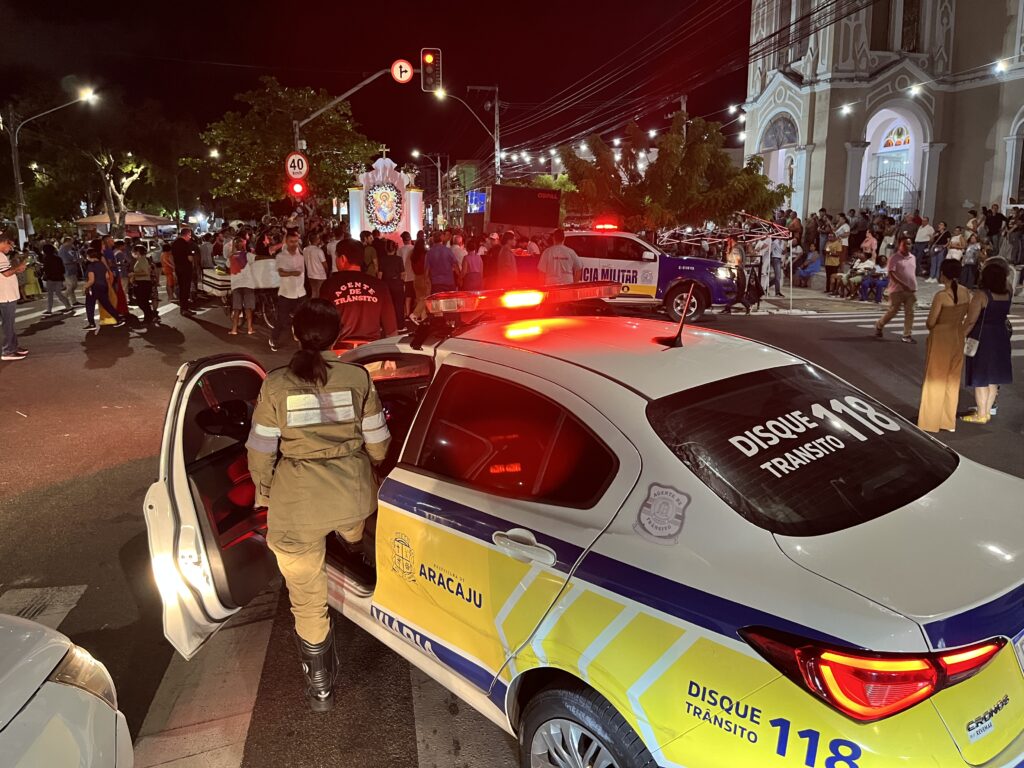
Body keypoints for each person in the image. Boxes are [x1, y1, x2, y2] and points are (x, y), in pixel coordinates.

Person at [246, 299, 391, 712]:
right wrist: (369, 467)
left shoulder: (276, 384)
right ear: (338, 335)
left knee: (307, 597)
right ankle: (352, 542)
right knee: (353, 525)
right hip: (352, 494)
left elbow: (260, 450)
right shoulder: (358, 378)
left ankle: (322, 686)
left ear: (295, 334)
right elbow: (378, 443)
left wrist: (267, 492)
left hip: (300, 502)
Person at [917, 259, 970, 433]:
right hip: (957, 336)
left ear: (943, 274)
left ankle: (930, 422)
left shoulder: (941, 296)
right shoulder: (965, 292)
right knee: (952, 380)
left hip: (941, 338)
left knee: (935, 379)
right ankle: (947, 421)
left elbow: (931, 322)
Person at [962, 259, 1013, 424]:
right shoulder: (1007, 293)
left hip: (983, 338)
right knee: (993, 378)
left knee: (981, 377)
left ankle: (981, 414)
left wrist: (960, 336)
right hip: (1001, 336)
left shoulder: (981, 295)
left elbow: (970, 321)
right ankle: (987, 411)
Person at [319, 248, 398, 341]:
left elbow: (322, 324)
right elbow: (391, 330)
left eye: (336, 256)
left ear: (343, 259)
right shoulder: (379, 285)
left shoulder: (329, 285)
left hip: (340, 346)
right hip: (370, 347)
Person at [270, 229, 307, 352]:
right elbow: (281, 273)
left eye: (296, 241)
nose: (294, 244)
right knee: (281, 319)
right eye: (291, 241)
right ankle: (274, 339)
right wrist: (292, 273)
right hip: (286, 293)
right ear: (286, 242)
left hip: (300, 292)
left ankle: (302, 340)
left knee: (303, 318)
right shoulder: (281, 256)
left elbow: (302, 273)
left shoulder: (301, 256)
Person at [875, 237, 917, 343]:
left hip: (910, 290)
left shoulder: (913, 257)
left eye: (909, 244)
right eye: (904, 244)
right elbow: (891, 274)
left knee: (910, 312)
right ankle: (880, 324)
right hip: (897, 290)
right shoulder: (894, 258)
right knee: (893, 311)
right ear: (899, 245)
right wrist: (903, 284)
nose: (907, 246)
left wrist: (912, 285)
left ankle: (907, 335)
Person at [0, 235, 29, 361]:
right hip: (6, 295)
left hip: (6, 295)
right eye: (10, 245)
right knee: (8, 324)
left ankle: (13, 346)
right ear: (3, 242)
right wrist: (18, 268)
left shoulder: (2, 255)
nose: (11, 248)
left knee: (9, 323)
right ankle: (8, 350)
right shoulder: (0, 256)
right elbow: (6, 273)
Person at [82, 248, 125, 331]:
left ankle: (91, 324)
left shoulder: (91, 266)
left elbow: (91, 280)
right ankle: (118, 318)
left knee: (90, 305)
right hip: (103, 286)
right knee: (106, 304)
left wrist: (85, 287)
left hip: (94, 288)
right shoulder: (102, 264)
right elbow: (107, 276)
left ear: (89, 256)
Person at [228, 236, 256, 335]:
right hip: (248, 284)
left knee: (237, 309)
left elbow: (227, 266)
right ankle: (250, 329)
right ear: (243, 245)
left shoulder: (231, 257)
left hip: (236, 285)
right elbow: (257, 259)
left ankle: (234, 329)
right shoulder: (248, 255)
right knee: (248, 308)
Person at [379, 238, 406, 331]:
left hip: (386, 284)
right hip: (397, 283)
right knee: (399, 305)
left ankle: (385, 325)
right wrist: (402, 282)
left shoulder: (382, 259)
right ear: (395, 249)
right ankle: (400, 325)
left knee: (386, 306)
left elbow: (380, 274)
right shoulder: (398, 259)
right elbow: (403, 273)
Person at [171, 228, 198, 317]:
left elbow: (172, 257)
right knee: (185, 289)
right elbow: (190, 258)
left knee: (181, 288)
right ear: (186, 234)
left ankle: (183, 308)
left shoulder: (174, 243)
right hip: (186, 269)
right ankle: (185, 309)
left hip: (178, 268)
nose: (190, 237)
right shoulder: (186, 244)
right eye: (189, 235)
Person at [128, 244, 158, 324]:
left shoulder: (142, 260)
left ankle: (148, 318)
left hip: (143, 283)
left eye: (133, 251)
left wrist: (134, 274)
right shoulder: (140, 260)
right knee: (142, 302)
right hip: (141, 283)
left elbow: (146, 272)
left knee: (142, 302)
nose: (132, 253)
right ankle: (149, 317)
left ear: (137, 252)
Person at [41, 241, 72, 315]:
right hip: (58, 278)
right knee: (59, 293)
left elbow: (46, 269)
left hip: (50, 278)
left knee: (50, 295)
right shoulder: (58, 258)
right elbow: (62, 269)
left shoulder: (46, 259)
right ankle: (68, 306)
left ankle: (49, 310)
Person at [302, 232, 328, 298]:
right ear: (317, 240)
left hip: (310, 274)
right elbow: (325, 264)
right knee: (321, 293)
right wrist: (327, 272)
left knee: (314, 293)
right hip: (320, 275)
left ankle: (313, 304)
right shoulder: (319, 251)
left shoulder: (305, 250)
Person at [397, 231, 415, 319]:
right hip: (414, 275)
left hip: (404, 275)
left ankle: (407, 313)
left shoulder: (400, 250)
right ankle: (415, 313)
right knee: (415, 295)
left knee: (407, 296)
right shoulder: (414, 248)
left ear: (403, 240)